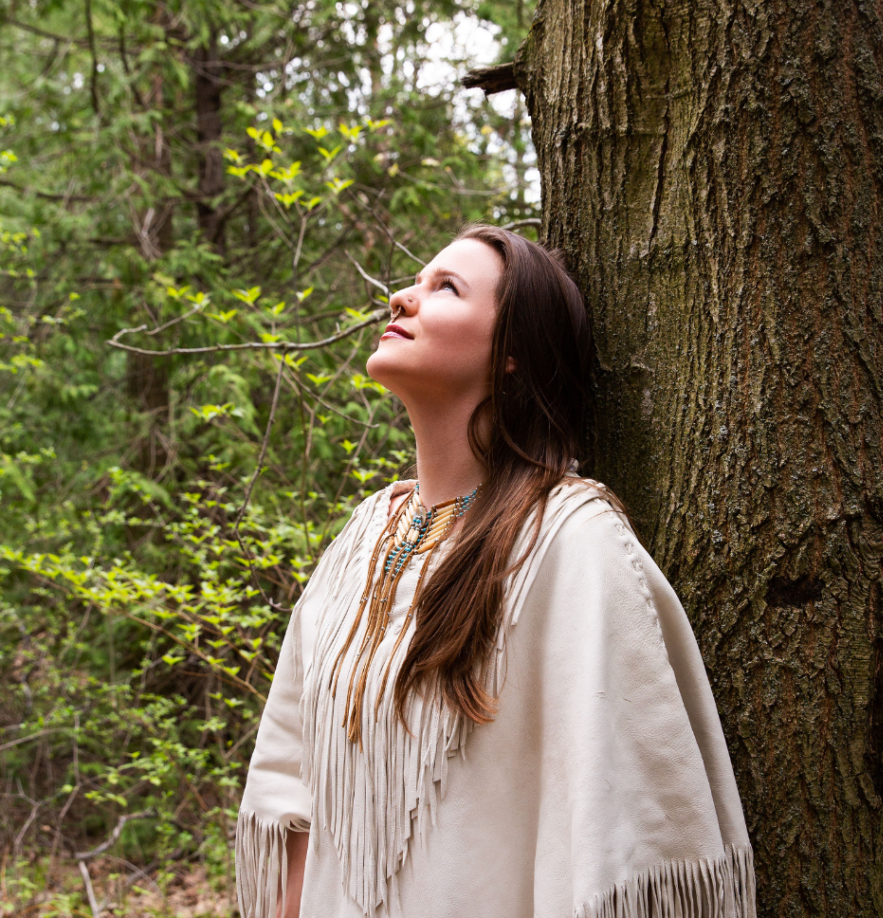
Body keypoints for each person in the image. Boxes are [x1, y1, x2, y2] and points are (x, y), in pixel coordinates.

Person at [235, 224, 756, 918]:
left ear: (512, 352)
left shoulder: (571, 543)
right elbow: (290, 792)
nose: (400, 299)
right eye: (414, 282)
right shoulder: (363, 538)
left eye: (444, 287)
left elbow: (623, 830)